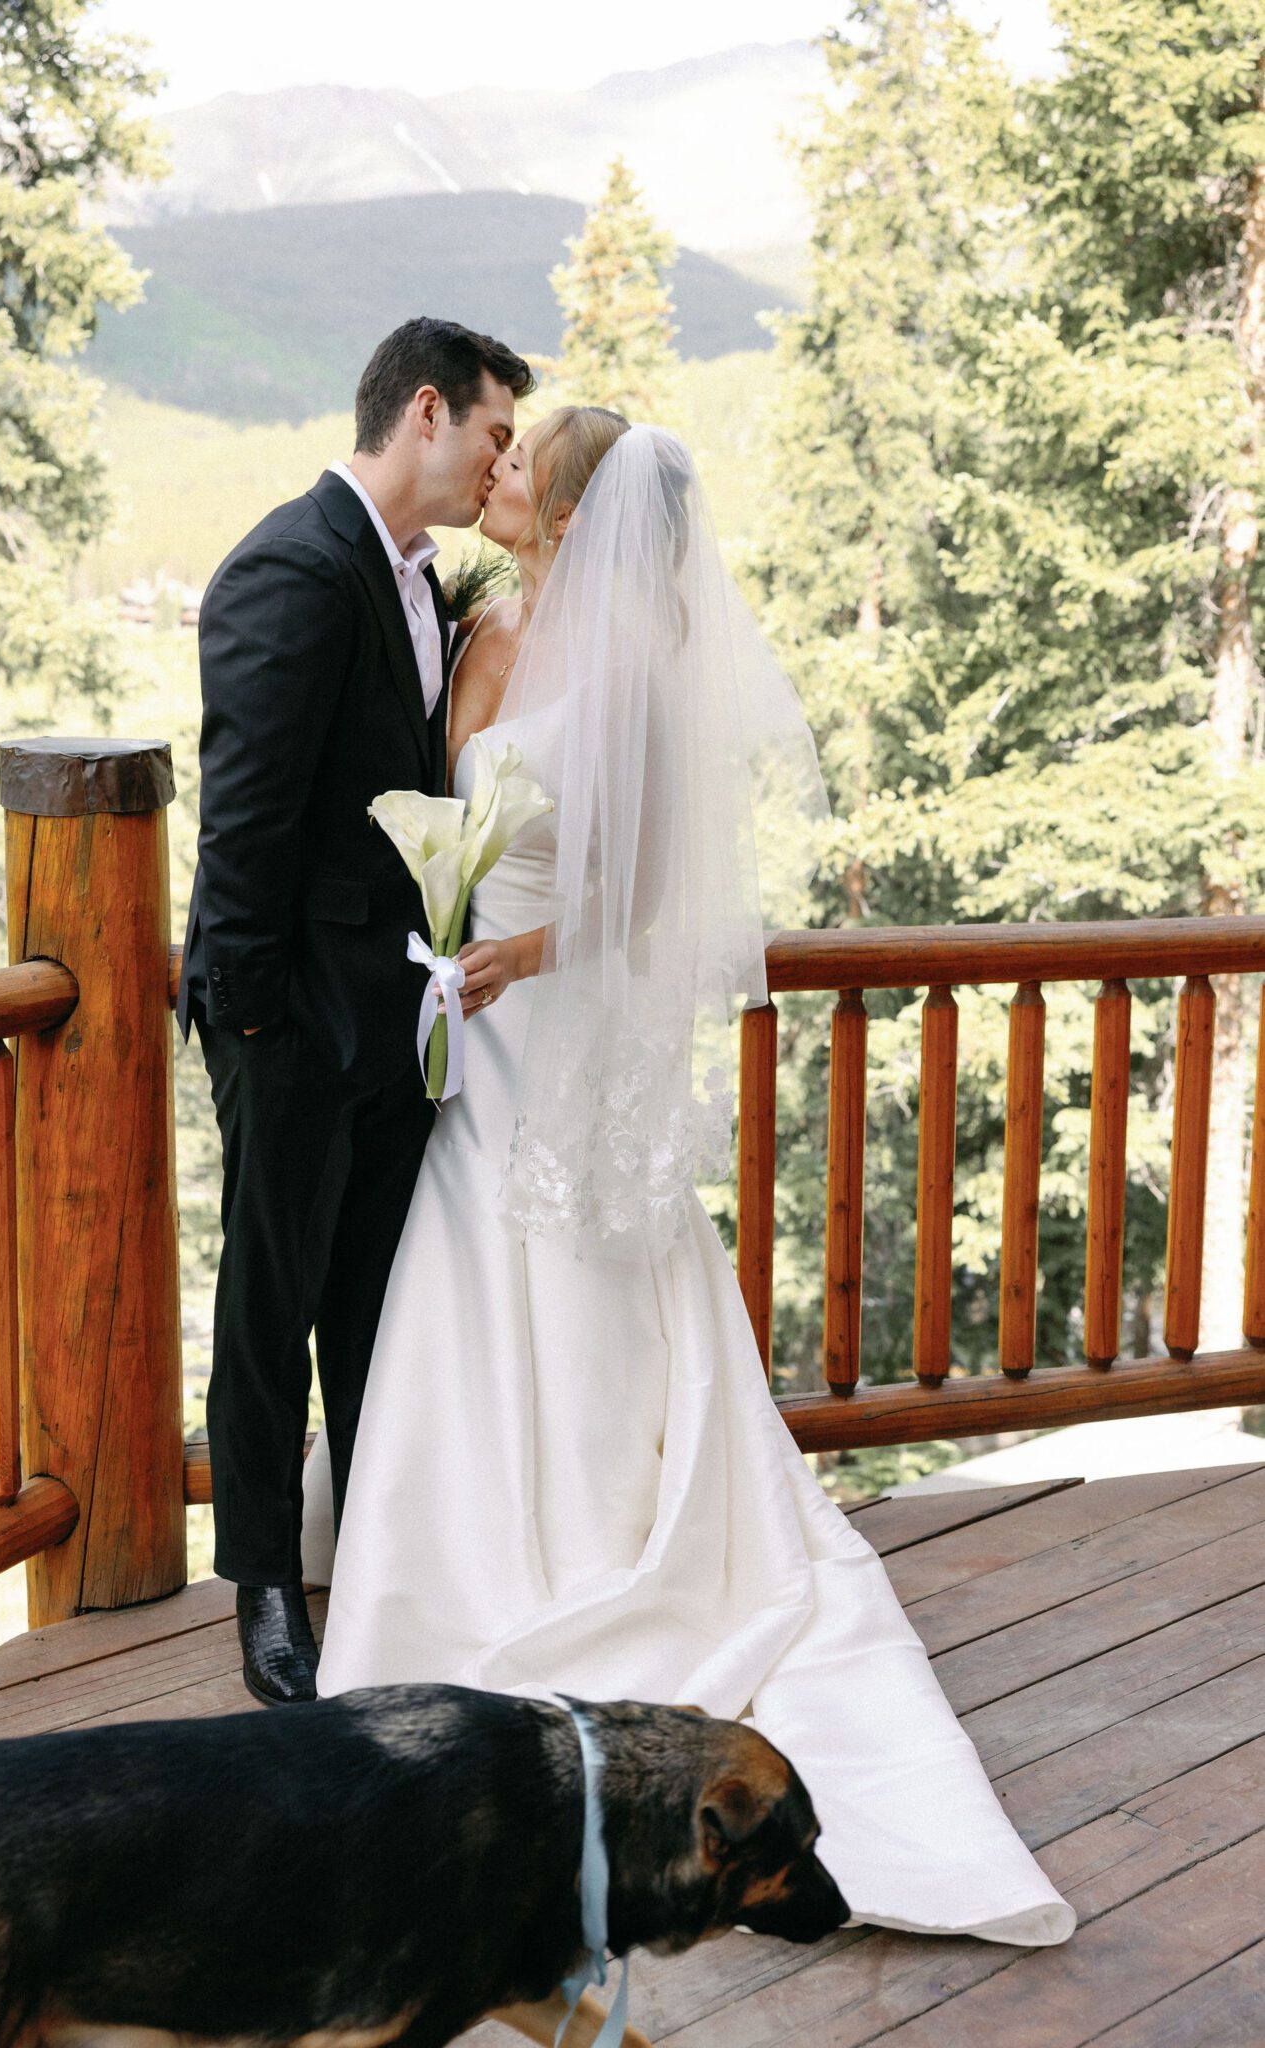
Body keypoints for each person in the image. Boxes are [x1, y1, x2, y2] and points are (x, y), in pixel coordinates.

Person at [300, 412, 1076, 1947]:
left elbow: (648, 891)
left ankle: (597, 1554)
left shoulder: (635, 669)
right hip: (472, 1023)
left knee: (589, 1290)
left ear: (577, 513)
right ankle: (447, 1553)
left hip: (559, 1020)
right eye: (495, 452)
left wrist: (524, 949)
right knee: (462, 1288)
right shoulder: (480, 619)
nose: (496, 473)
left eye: (522, 464)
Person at [175, 317, 534, 1706]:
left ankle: (371, 1561)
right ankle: (265, 1592)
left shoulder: (419, 579)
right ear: (428, 413)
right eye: (495, 434)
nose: (499, 461)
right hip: (293, 1022)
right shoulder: (291, 562)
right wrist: (257, 1024)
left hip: (396, 1013)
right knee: (269, 1302)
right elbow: (244, 819)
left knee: (367, 1303)